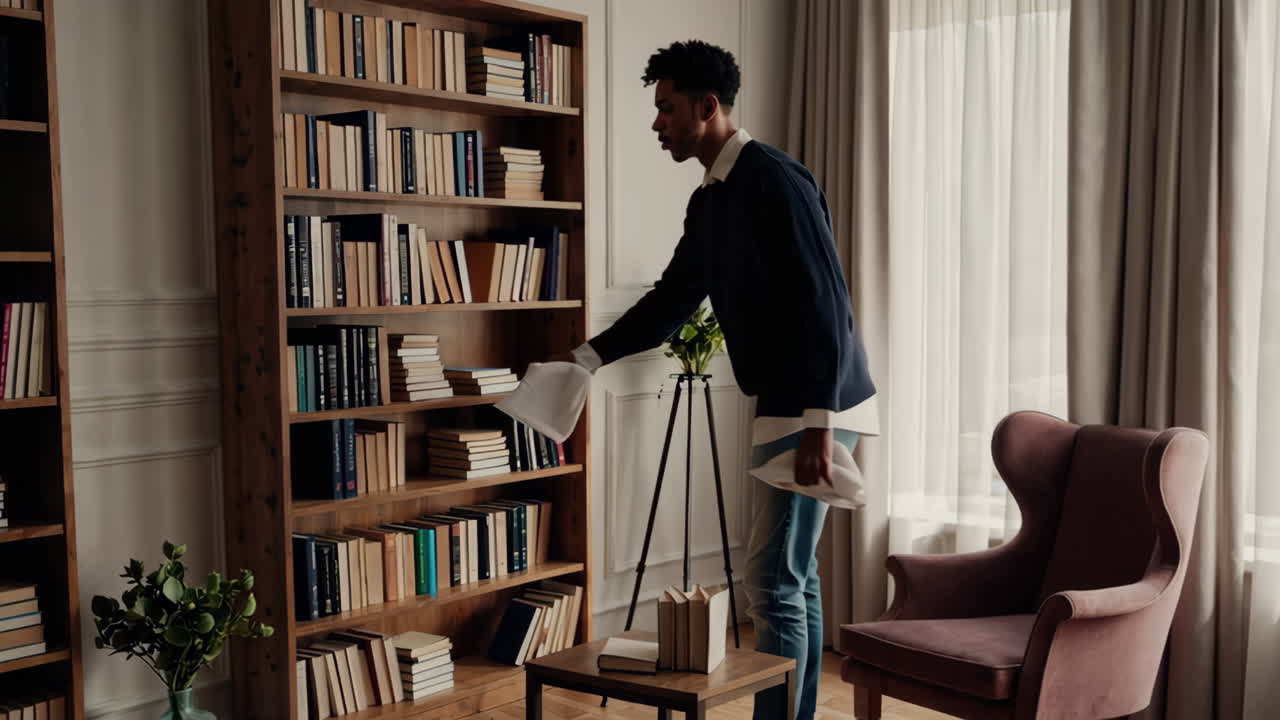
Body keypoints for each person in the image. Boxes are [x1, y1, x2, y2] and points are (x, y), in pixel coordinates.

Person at [566, 40, 878, 720]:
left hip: (813, 403)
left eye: (668, 109)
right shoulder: (712, 200)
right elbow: (673, 300)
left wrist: (820, 424)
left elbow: (828, 300)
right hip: (788, 401)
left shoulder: (773, 180)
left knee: (771, 578)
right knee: (794, 578)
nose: (658, 124)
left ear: (708, 107)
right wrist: (586, 358)